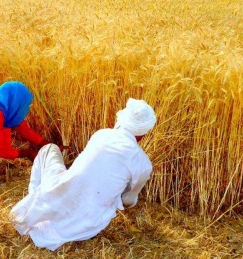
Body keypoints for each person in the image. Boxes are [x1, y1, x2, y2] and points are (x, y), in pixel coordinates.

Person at [11, 98, 156, 251]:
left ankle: (36, 197)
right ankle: (41, 197)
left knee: (49, 149)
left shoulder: (102, 134)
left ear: (122, 119)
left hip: (62, 199)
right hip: (89, 226)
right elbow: (128, 200)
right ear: (143, 134)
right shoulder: (144, 164)